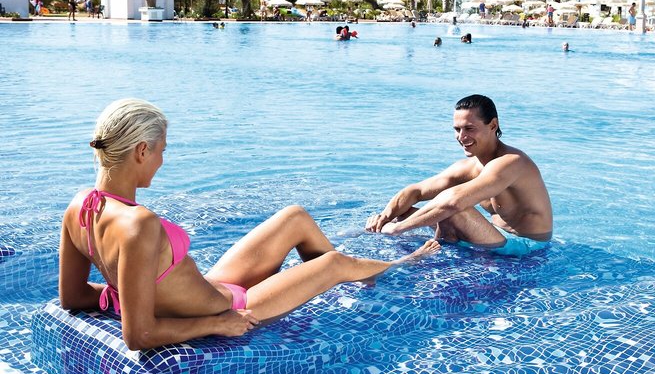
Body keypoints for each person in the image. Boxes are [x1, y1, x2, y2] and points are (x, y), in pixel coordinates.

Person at [59, 99, 439, 351]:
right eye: (162, 151)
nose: (162, 160)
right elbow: (139, 335)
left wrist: (122, 295)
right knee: (336, 262)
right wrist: (216, 324)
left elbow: (73, 297)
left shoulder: (80, 207)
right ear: (142, 150)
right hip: (236, 307)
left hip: (213, 287)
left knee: (294, 216)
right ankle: (398, 266)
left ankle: (340, 283)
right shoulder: (138, 223)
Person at [365, 94, 553, 256]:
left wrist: (396, 229)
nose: (461, 137)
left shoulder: (511, 162)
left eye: (469, 129)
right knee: (402, 212)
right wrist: (385, 217)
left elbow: (453, 201)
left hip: (525, 247)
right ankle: (440, 245)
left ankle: (437, 253)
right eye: (457, 129)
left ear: (493, 125)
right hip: (494, 235)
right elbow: (415, 191)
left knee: (455, 209)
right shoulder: (469, 167)